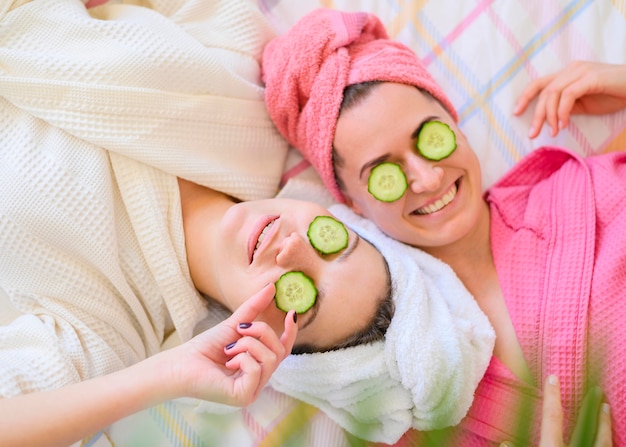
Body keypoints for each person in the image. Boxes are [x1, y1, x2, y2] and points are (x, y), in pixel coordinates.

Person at [261, 7, 624, 446]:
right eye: (384, 172)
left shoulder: (591, 191)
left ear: (454, 123)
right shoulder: (405, 373)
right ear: (352, 203)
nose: (428, 179)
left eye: (430, 136)